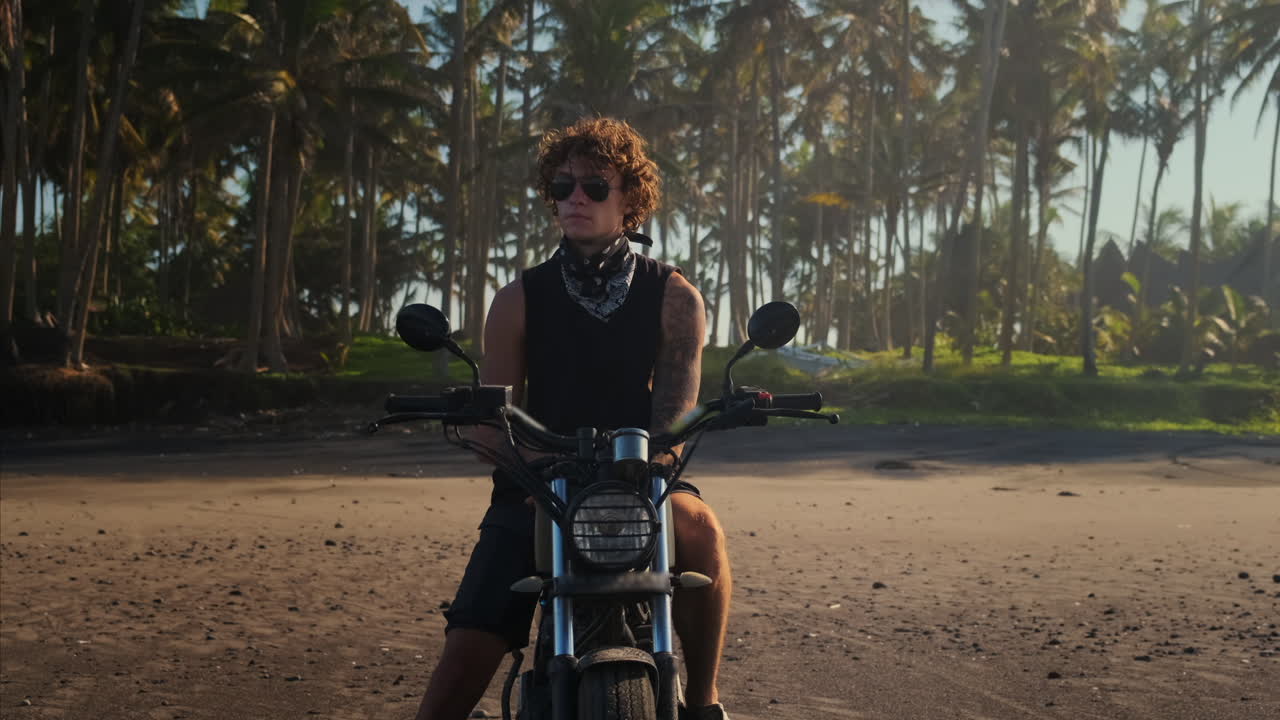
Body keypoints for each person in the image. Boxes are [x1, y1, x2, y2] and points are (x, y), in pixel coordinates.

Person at [414, 116, 732, 720]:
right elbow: (494, 413)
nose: (575, 200)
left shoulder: (675, 297)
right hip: (536, 485)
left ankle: (705, 700)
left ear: (631, 199)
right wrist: (534, 472)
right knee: (457, 668)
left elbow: (673, 417)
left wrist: (644, 470)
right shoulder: (518, 299)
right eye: (562, 188)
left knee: (703, 530)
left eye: (594, 186)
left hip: (641, 481)